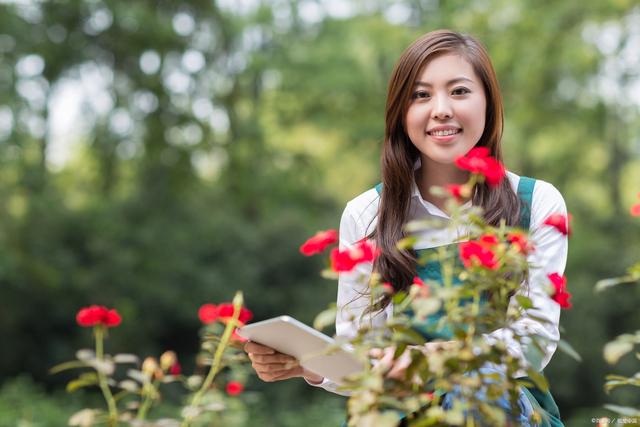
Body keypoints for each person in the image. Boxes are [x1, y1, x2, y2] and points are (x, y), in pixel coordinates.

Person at [244, 29, 568, 426]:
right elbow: (361, 351)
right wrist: (309, 365)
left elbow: (535, 339)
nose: (441, 109)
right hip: (403, 411)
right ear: (401, 112)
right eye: (421, 95)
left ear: (489, 103)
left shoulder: (535, 203)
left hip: (498, 408)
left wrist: (439, 357)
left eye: (460, 91)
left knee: (481, 383)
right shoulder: (367, 214)